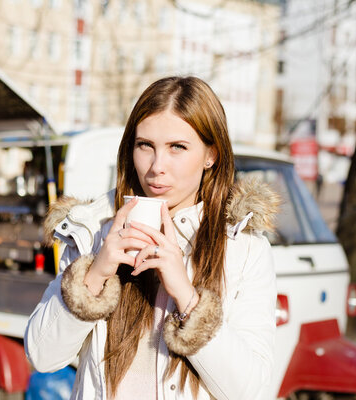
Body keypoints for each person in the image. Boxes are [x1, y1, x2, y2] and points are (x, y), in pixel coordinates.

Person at [25, 76, 279, 400]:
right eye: (145, 145)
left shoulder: (243, 248)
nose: (157, 166)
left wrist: (187, 298)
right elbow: (43, 356)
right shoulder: (93, 228)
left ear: (211, 155)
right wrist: (95, 274)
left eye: (177, 147)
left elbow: (252, 391)